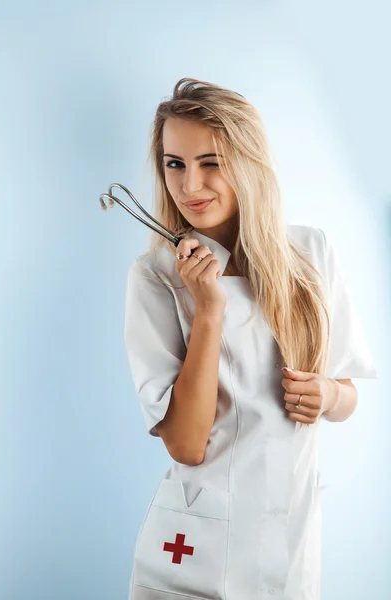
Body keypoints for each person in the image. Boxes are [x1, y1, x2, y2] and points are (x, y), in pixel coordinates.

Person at [123, 78, 377, 600]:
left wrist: (326, 394)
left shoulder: (310, 253)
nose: (190, 185)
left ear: (249, 160)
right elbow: (187, 445)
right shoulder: (156, 277)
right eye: (175, 164)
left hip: (290, 531)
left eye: (210, 162)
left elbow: (347, 394)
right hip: (195, 541)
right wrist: (209, 310)